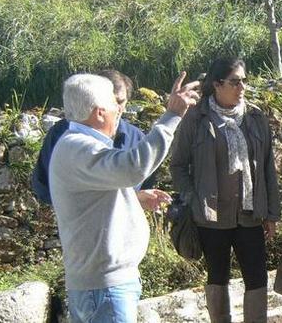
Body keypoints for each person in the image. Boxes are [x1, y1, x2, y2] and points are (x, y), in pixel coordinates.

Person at [49, 72, 200, 323]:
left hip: (103, 285)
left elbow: (96, 197)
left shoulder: (77, 146)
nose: (120, 111)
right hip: (104, 287)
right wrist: (172, 115)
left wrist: (135, 199)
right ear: (99, 112)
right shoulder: (79, 147)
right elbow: (133, 167)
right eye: (114, 105)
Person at [170, 57, 281, 323]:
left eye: (244, 80)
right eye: (235, 81)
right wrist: (193, 199)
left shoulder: (254, 117)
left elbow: (268, 167)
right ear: (217, 85)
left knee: (256, 278)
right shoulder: (196, 119)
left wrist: (271, 213)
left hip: (249, 214)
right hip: (211, 217)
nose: (241, 86)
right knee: (217, 277)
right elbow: (178, 165)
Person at [32, 70, 152, 205]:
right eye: (111, 101)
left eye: (121, 101)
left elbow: (145, 183)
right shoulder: (61, 133)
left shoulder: (136, 138)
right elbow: (43, 185)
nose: (117, 108)